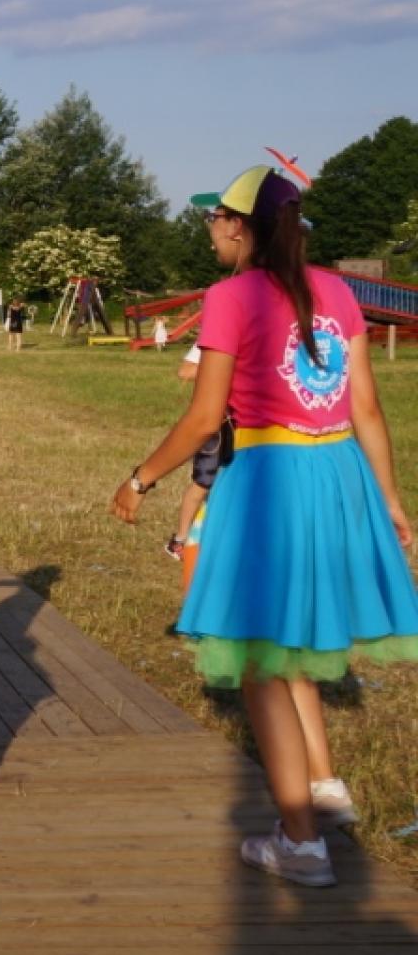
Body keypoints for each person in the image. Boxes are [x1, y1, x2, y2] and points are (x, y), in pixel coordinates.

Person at [112, 165, 418, 888]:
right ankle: (323, 790)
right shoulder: (337, 290)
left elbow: (202, 416)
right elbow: (366, 409)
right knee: (296, 639)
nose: (211, 230)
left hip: (270, 477)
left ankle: (301, 843)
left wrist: (140, 478)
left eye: (216, 218)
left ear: (238, 226)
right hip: (337, 471)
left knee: (257, 659)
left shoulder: (231, 296)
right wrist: (390, 499)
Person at [165, 345, 230, 598]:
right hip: (213, 423)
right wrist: (221, 364)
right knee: (203, 483)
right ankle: (179, 541)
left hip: (241, 424)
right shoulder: (210, 342)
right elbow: (185, 371)